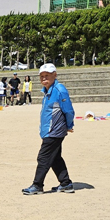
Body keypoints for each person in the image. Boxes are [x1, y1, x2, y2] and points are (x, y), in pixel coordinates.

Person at [23, 63, 75, 195]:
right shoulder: (47, 91)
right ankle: (66, 183)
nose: (44, 78)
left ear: (55, 75)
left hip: (55, 131)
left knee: (43, 157)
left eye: (47, 75)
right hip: (49, 130)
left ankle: (37, 185)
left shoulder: (59, 90)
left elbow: (69, 110)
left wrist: (69, 125)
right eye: (42, 76)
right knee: (55, 157)